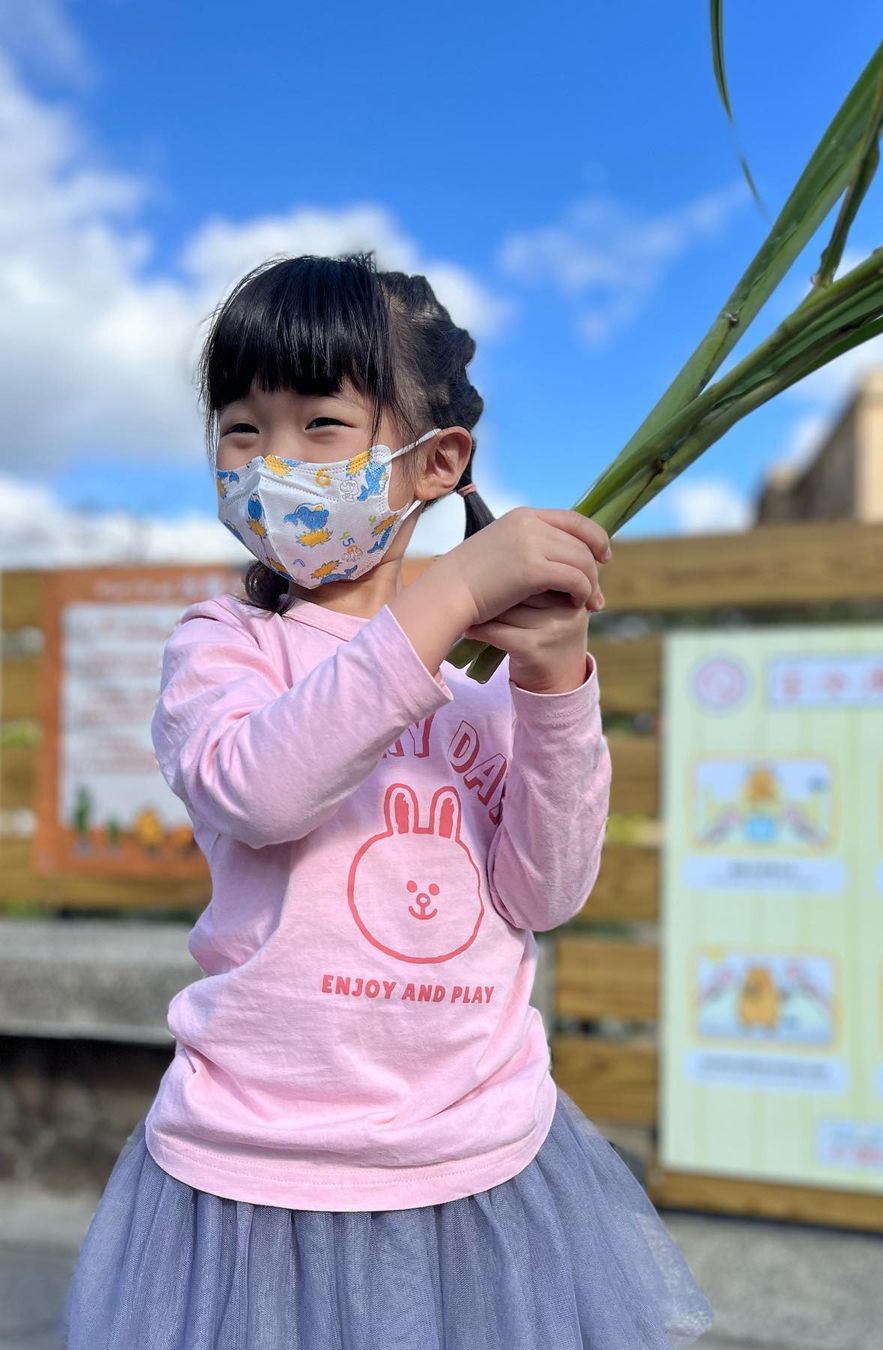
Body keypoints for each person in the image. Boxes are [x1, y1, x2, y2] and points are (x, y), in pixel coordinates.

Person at [61, 252, 715, 1348]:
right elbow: (262, 788)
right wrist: (457, 586)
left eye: (321, 424)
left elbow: (544, 890)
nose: (274, 461)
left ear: (434, 463)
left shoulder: (477, 693)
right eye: (240, 428)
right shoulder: (227, 647)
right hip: (260, 1163)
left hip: (480, 1159)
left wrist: (554, 681)